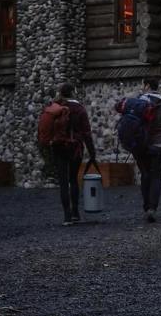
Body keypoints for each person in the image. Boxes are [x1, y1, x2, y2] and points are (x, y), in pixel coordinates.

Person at [116, 77, 161, 223]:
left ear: (146, 85)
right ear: (157, 87)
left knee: (145, 175)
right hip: (160, 146)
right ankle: (152, 209)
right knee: (156, 177)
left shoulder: (137, 103)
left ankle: (145, 207)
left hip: (141, 146)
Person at [39, 83, 96, 226]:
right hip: (75, 147)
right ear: (73, 92)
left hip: (58, 146)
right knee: (73, 179)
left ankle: (67, 216)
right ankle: (76, 213)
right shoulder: (80, 109)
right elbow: (86, 133)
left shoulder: (54, 108)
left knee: (63, 182)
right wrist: (92, 152)